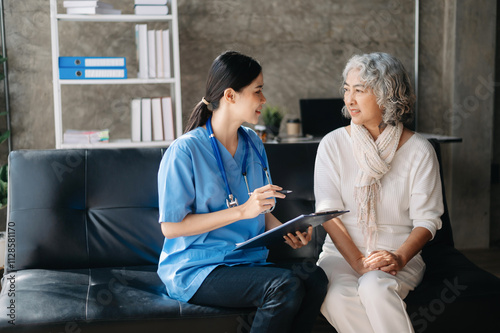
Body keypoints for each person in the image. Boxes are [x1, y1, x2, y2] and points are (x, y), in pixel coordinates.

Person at [157, 50, 328, 333]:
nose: (264, 100)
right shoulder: (184, 151)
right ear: (230, 95)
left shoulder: (253, 142)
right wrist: (241, 211)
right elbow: (171, 228)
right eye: (257, 91)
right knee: (283, 286)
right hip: (198, 268)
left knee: (316, 278)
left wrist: (290, 231)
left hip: (245, 261)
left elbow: (260, 210)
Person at [314, 52, 444, 333]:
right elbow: (327, 214)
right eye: (347, 89)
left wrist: (398, 258)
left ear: (387, 95)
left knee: (375, 286)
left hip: (398, 252)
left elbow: (428, 220)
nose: (349, 100)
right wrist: (359, 262)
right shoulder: (332, 145)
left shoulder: (420, 150)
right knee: (335, 297)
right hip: (340, 255)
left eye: (359, 90)